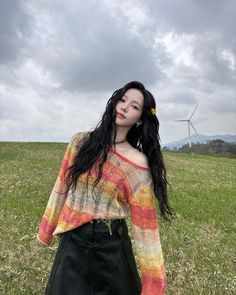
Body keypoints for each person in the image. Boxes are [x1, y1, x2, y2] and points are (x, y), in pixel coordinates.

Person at [37, 81, 174, 295]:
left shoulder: (137, 164)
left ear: (140, 120)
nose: (125, 107)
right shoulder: (80, 142)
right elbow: (61, 186)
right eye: (123, 99)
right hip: (73, 240)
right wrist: (46, 229)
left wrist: (153, 281)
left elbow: (145, 225)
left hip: (112, 246)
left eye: (134, 106)